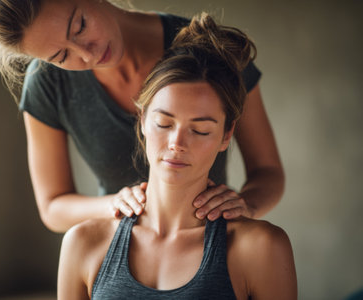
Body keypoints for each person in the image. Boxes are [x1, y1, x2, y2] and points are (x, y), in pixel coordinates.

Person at [0, 0, 285, 233]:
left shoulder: (209, 51)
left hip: (210, 243)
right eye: (61, 56)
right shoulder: (47, 83)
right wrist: (116, 205)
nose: (87, 54)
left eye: (80, 26)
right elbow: (52, 207)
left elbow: (268, 171)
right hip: (116, 254)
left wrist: (246, 206)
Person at [57, 13, 297, 299]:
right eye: (164, 124)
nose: (177, 143)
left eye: (201, 130)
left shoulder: (262, 248)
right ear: (143, 120)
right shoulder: (83, 243)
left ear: (226, 135)